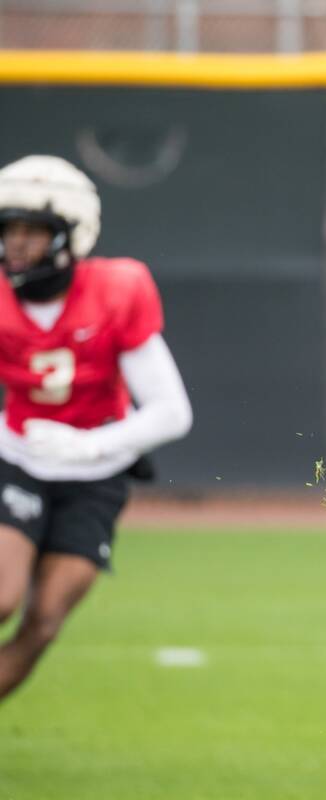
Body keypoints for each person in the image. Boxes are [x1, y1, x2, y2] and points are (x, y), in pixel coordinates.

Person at [0, 155, 193, 702]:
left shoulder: (115, 289)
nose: (16, 244)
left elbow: (171, 411)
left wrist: (85, 445)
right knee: (1, 596)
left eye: (31, 230)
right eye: (8, 229)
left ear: (70, 233)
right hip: (18, 457)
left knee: (42, 624)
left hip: (96, 474)